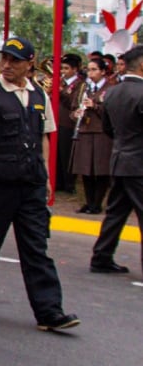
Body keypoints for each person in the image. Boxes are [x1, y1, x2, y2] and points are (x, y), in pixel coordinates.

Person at [0, 37, 79, 332]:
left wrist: (46, 177)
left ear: (29, 63)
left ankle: (49, 312)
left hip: (31, 184)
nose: (7, 65)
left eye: (15, 60)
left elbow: (44, 137)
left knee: (37, 248)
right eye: (5, 59)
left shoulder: (39, 95)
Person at [91, 43, 143, 275]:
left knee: (116, 212)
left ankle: (101, 257)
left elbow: (108, 128)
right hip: (139, 164)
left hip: (119, 158)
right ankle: (101, 257)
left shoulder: (112, 92)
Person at [70, 57, 113, 214]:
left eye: (94, 69)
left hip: (102, 133)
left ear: (103, 71)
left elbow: (112, 112)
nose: (90, 73)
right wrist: (75, 114)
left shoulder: (110, 88)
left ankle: (97, 203)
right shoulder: (83, 87)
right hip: (84, 131)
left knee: (101, 170)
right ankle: (88, 203)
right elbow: (72, 108)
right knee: (85, 169)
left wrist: (95, 106)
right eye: (88, 69)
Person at [56, 53, 84, 195]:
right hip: (56, 121)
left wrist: (61, 92)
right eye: (62, 68)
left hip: (68, 123)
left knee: (66, 153)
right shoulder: (60, 81)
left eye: (66, 68)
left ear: (75, 69)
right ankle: (58, 182)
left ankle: (69, 183)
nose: (63, 71)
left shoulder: (80, 84)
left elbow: (74, 103)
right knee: (57, 154)